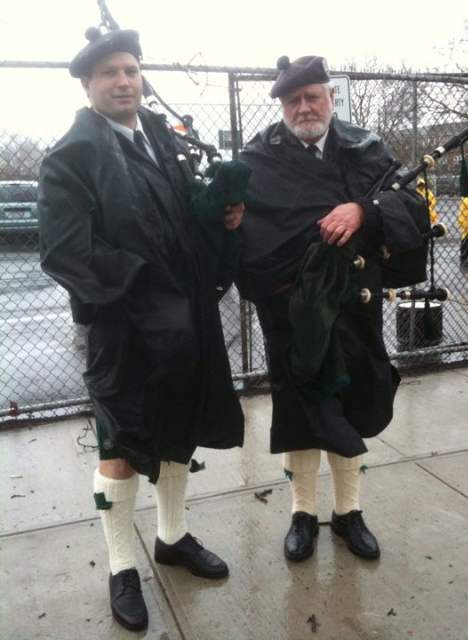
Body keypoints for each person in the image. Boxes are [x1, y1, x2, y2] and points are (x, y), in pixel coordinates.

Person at [38, 28, 246, 632]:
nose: (124, 81)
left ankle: (172, 537)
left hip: (188, 322)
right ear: (87, 84)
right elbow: (65, 253)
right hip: (125, 329)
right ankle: (122, 566)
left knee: (178, 427)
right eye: (110, 73)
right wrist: (147, 284)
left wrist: (222, 215)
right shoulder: (70, 156)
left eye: (131, 70)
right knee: (123, 448)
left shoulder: (160, 137)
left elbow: (184, 217)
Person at [238, 56, 428, 564]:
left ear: (330, 98)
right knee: (302, 411)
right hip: (291, 312)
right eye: (293, 100)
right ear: (281, 105)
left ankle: (349, 512)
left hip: (354, 306)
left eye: (313, 97)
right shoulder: (257, 158)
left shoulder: (365, 147)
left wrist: (364, 210)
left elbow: (410, 205)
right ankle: (303, 512)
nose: (304, 107)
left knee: (351, 405)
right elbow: (243, 234)